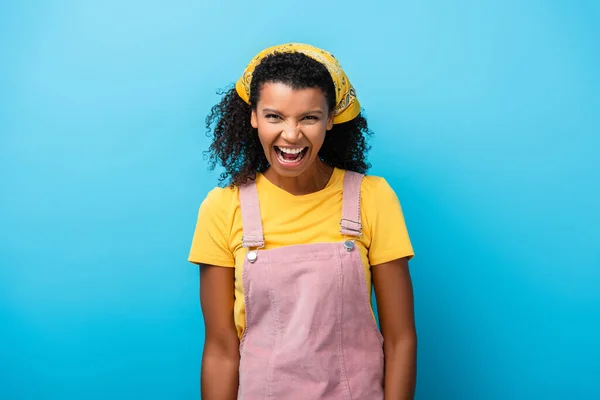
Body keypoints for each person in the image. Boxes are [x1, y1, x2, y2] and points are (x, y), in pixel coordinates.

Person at [189, 43, 416, 400]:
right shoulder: (223, 208)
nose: (291, 135)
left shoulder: (372, 198)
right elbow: (220, 350)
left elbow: (401, 339)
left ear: (330, 119)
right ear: (253, 117)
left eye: (308, 117)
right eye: (274, 116)